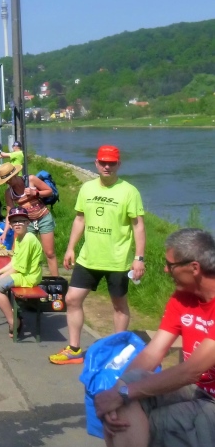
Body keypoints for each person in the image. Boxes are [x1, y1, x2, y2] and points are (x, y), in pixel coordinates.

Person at [94, 228, 215, 447]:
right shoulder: (182, 298)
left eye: (170, 265)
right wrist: (117, 391)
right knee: (122, 404)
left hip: (210, 401)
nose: (165, 270)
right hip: (196, 390)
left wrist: (123, 394)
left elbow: (192, 370)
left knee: (148, 422)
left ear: (194, 268)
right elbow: (152, 353)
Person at [49, 145, 145, 365]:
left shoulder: (129, 191)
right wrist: (71, 247)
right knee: (72, 299)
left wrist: (139, 258)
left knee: (119, 305)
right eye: (103, 162)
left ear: (118, 164)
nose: (107, 166)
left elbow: (138, 226)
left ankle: (117, 351)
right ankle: (74, 349)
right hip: (89, 257)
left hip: (118, 260)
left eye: (111, 163)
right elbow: (80, 219)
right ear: (96, 163)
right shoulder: (87, 188)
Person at [0, 207, 43, 338]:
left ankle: (14, 322)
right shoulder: (19, 238)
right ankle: (14, 312)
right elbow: (14, 262)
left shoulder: (28, 239)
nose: (17, 224)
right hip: (22, 273)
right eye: (14, 221)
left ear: (28, 223)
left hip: (29, 277)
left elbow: (18, 268)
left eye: (21, 221)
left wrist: (0, 278)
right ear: (10, 225)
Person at [0, 162, 59, 276]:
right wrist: (4, 233)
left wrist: (35, 192)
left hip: (43, 217)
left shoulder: (31, 180)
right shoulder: (9, 192)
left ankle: (56, 281)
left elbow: (49, 191)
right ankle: (26, 278)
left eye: (9, 179)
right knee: (23, 252)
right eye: (6, 181)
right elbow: (10, 213)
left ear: (15, 174)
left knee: (49, 253)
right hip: (27, 223)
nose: (8, 182)